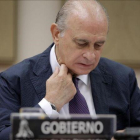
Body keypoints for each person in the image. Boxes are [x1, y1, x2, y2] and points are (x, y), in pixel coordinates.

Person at [0, 0, 140, 139]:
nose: (90, 56)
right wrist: (50, 104)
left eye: (98, 45)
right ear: (56, 34)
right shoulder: (13, 81)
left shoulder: (122, 78)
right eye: (81, 43)